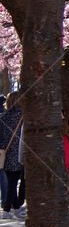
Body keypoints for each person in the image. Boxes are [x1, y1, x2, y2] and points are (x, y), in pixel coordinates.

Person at [0, 90, 25, 219]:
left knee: (12, 181)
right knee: (13, 182)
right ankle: (7, 209)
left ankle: (16, 208)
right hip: (18, 153)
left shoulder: (3, 116)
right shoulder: (21, 115)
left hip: (5, 153)